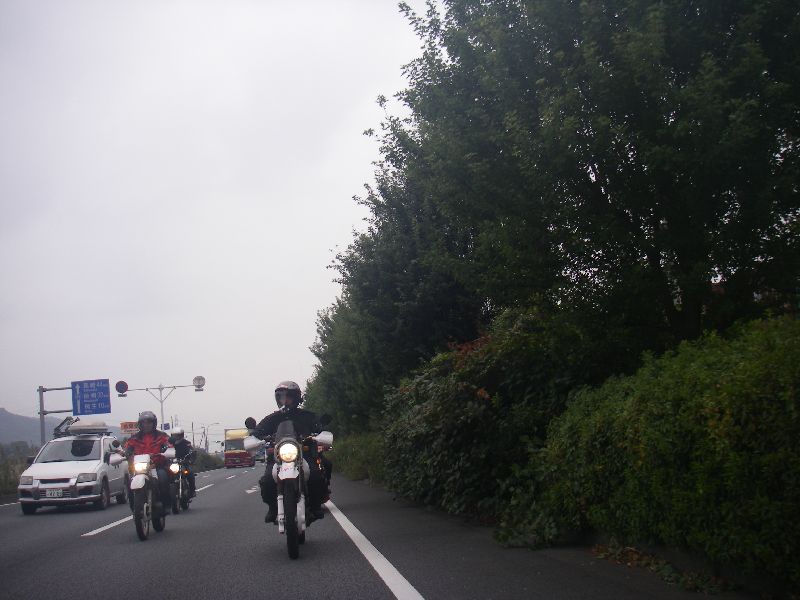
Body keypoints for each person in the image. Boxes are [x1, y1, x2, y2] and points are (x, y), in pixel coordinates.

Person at [253, 381, 328, 524]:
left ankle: (315, 506)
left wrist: (321, 433)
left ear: (296, 398)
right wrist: (255, 437)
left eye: (288, 397)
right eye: (281, 397)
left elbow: (320, 428)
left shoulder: (307, 416)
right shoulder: (273, 418)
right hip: (278, 456)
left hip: (304, 453)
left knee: (316, 477)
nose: (285, 400)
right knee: (267, 481)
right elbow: (257, 432)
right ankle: (273, 508)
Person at [122, 411, 173, 508]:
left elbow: (169, 444)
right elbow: (127, 447)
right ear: (140, 424)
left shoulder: (162, 436)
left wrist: (169, 449)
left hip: (157, 466)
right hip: (140, 468)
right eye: (144, 423)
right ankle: (134, 507)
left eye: (149, 422)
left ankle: (166, 505)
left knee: (163, 479)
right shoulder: (134, 438)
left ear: (154, 423)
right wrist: (125, 453)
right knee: (130, 484)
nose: (146, 425)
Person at [169, 427, 197, 498]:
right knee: (166, 475)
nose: (176, 437)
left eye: (178, 435)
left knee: (190, 473)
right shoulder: (169, 444)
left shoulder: (186, 443)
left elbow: (192, 451)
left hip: (184, 462)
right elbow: (164, 450)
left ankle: (192, 490)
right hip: (173, 463)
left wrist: (191, 459)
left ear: (181, 435)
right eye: (174, 436)